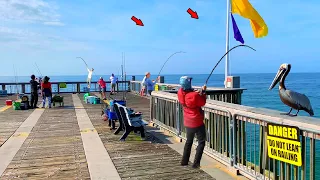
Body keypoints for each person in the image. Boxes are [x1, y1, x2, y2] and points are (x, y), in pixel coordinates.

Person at [177, 76, 207, 168]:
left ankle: (184, 162)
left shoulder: (180, 92)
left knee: (189, 142)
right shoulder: (194, 95)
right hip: (197, 121)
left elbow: (189, 95)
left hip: (188, 121)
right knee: (201, 142)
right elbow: (202, 102)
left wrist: (197, 92)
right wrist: (203, 92)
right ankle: (196, 164)